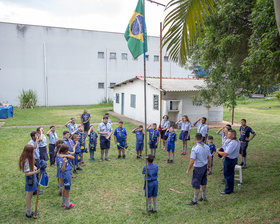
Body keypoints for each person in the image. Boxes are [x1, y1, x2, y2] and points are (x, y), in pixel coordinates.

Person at [186, 133, 212, 205]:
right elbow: (210, 157)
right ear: (202, 139)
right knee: (203, 182)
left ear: (195, 139)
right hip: (204, 167)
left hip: (198, 168)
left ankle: (195, 200)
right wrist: (209, 166)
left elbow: (192, 160)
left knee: (196, 184)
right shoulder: (206, 146)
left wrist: (188, 169)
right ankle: (204, 196)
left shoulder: (195, 148)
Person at [19, 144, 40, 218]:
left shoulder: (28, 158)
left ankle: (29, 210)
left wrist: (34, 167)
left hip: (32, 177)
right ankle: (28, 212)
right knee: (29, 195)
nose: (34, 151)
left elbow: (32, 166)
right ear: (29, 151)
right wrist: (36, 172)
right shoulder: (26, 160)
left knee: (30, 195)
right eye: (33, 150)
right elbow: (27, 173)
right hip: (30, 179)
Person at [217, 129, 240, 194]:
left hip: (230, 160)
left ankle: (228, 190)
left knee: (228, 175)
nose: (227, 135)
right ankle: (230, 188)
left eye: (229, 134)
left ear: (233, 135)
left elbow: (226, 153)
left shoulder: (233, 143)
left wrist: (218, 151)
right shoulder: (236, 141)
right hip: (232, 159)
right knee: (230, 174)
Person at [57, 144, 75, 209]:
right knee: (67, 190)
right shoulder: (61, 158)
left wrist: (66, 155)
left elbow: (73, 157)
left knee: (65, 187)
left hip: (68, 173)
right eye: (67, 150)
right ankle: (67, 205)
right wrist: (64, 162)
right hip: (66, 174)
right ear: (64, 150)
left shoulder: (64, 155)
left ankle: (63, 202)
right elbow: (62, 169)